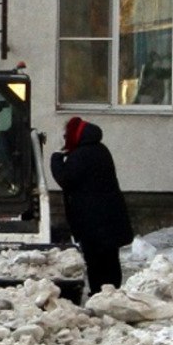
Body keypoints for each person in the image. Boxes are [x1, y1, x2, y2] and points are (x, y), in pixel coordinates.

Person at [49, 116, 134, 295]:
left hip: (93, 221)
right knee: (110, 259)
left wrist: (56, 158)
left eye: (65, 136)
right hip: (108, 217)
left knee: (96, 260)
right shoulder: (100, 150)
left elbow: (65, 179)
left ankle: (100, 295)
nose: (64, 140)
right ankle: (112, 293)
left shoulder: (82, 155)